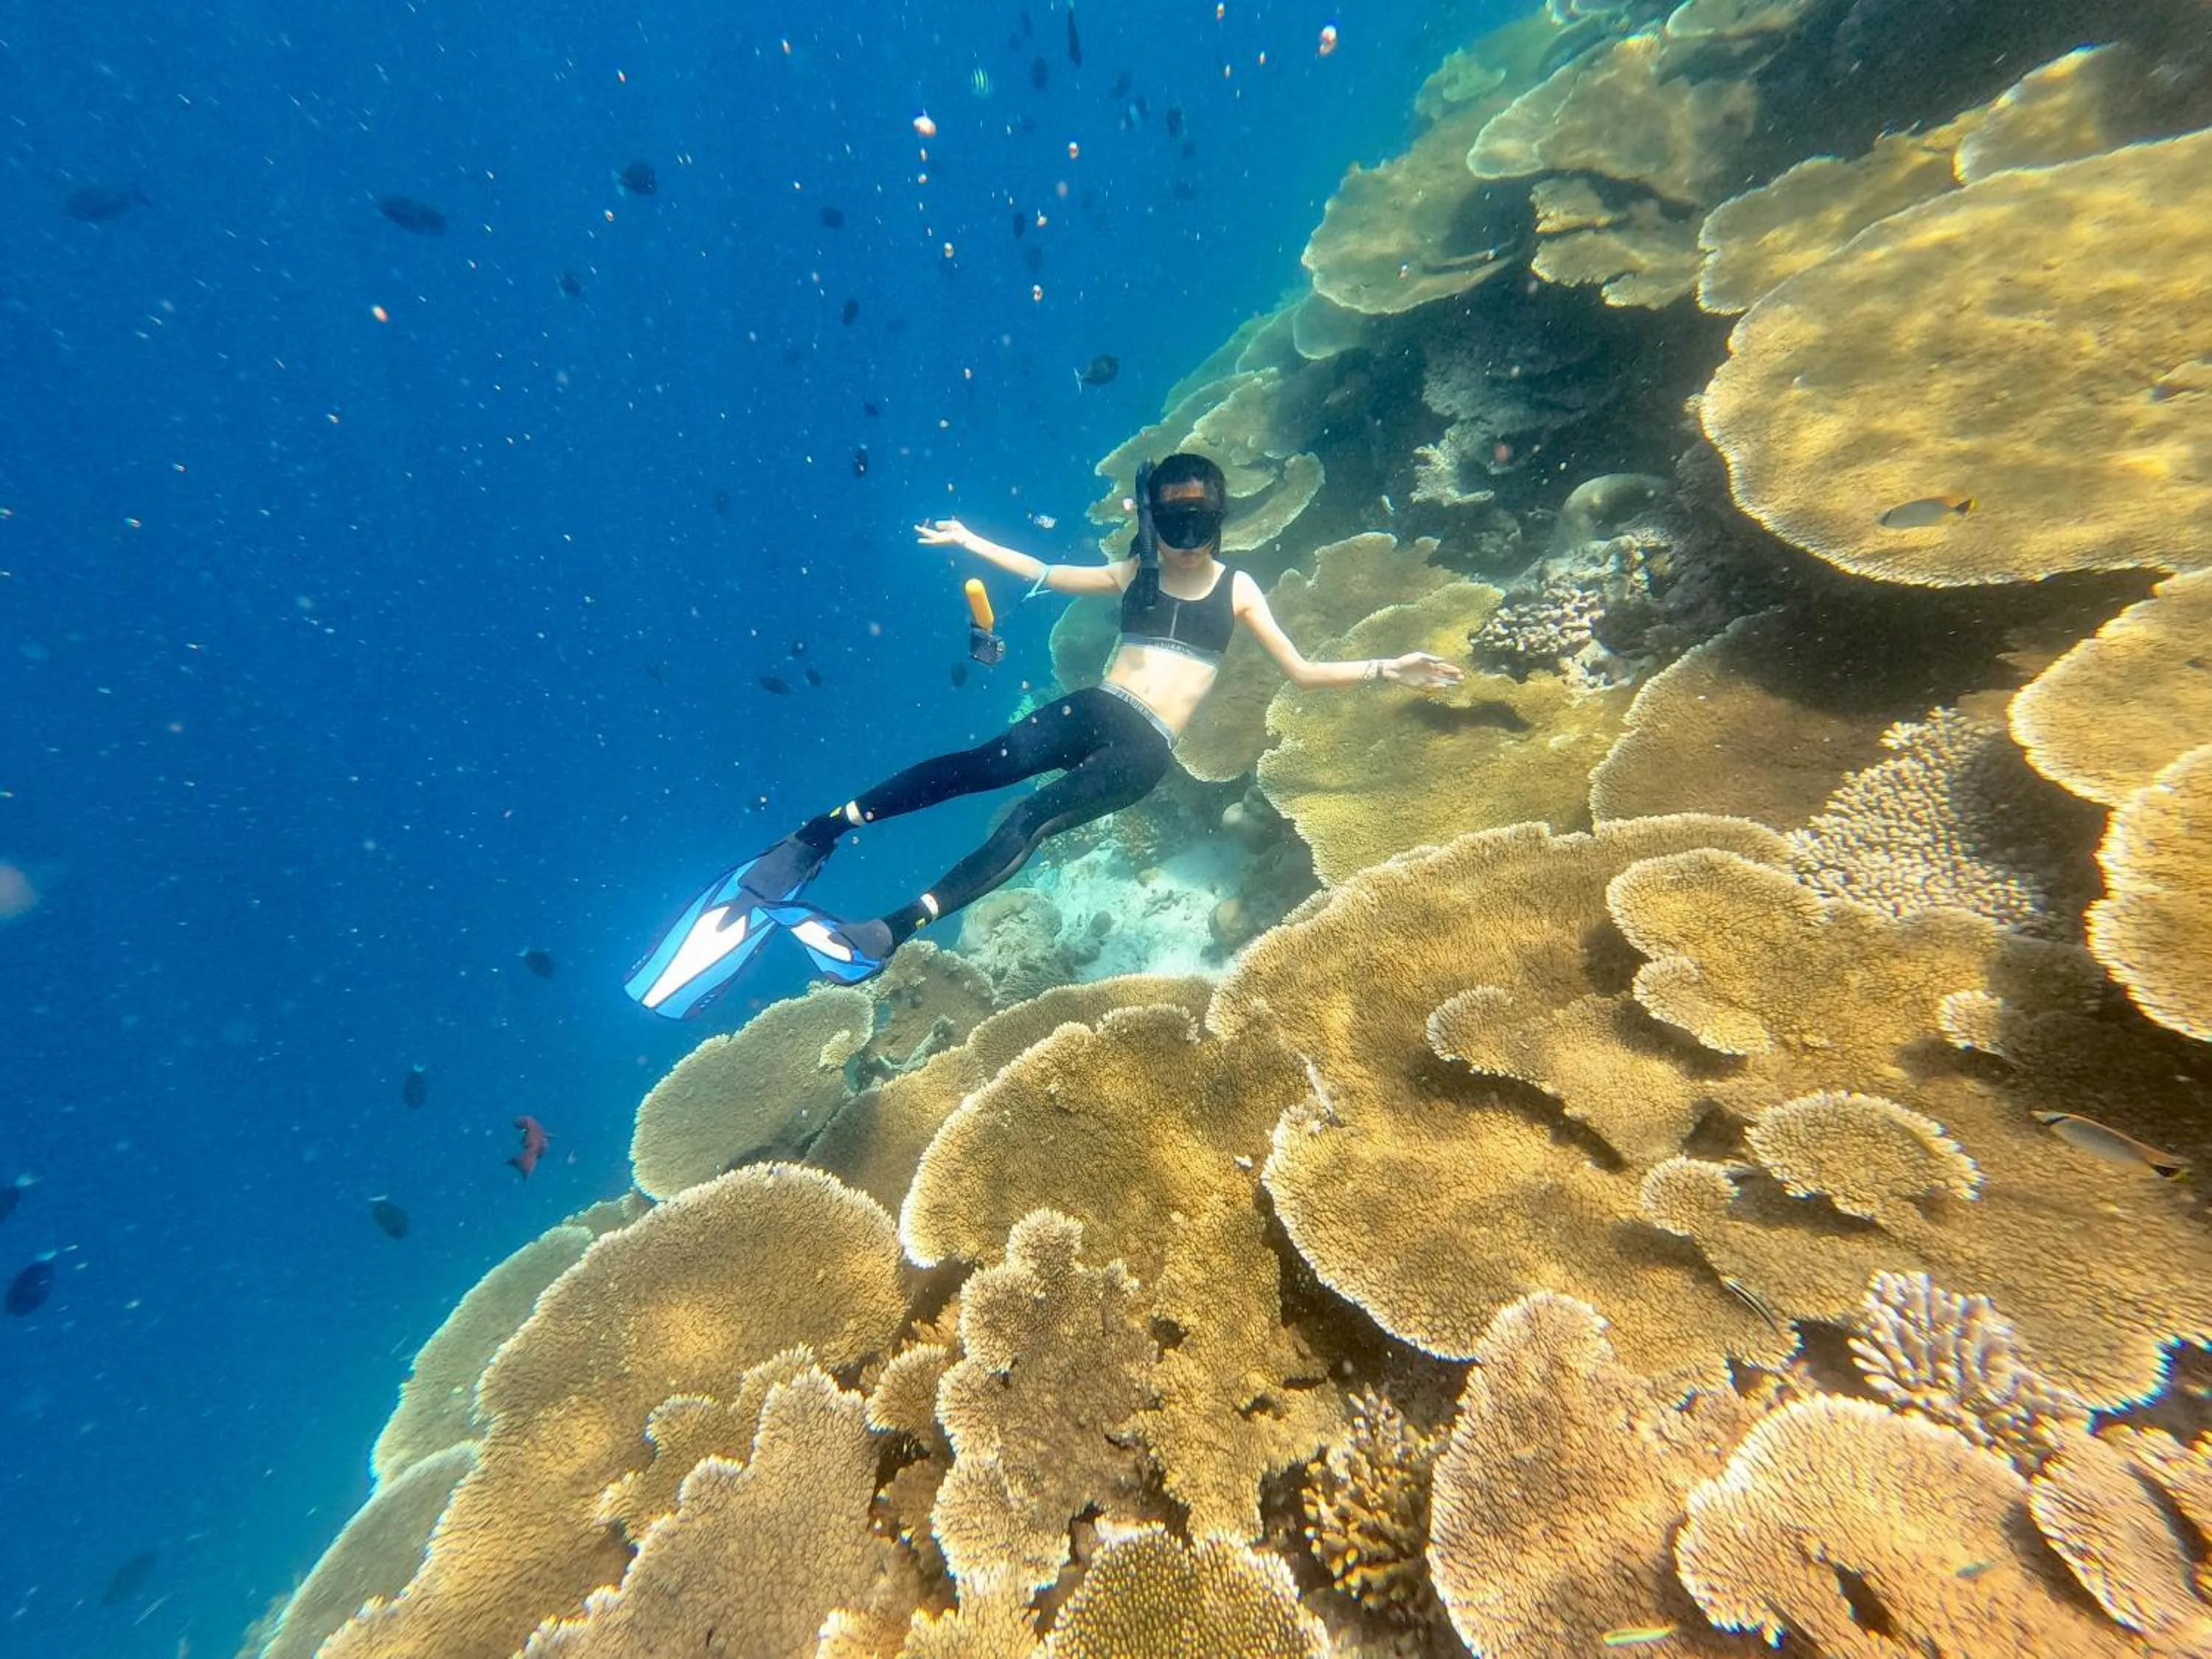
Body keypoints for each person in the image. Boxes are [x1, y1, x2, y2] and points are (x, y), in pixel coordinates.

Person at [625, 453, 1461, 1013]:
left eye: (1199, 525)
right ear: (1155, 522)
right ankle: (816, 835)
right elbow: (1042, 571)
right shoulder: (1134, 571)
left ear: (1221, 523)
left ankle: (892, 928)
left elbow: (1304, 669)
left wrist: (1393, 666)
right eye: (1174, 526)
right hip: (1098, 705)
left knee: (1028, 819)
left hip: (1146, 752)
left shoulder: (1238, 588)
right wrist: (966, 540)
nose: (1186, 541)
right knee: (977, 765)